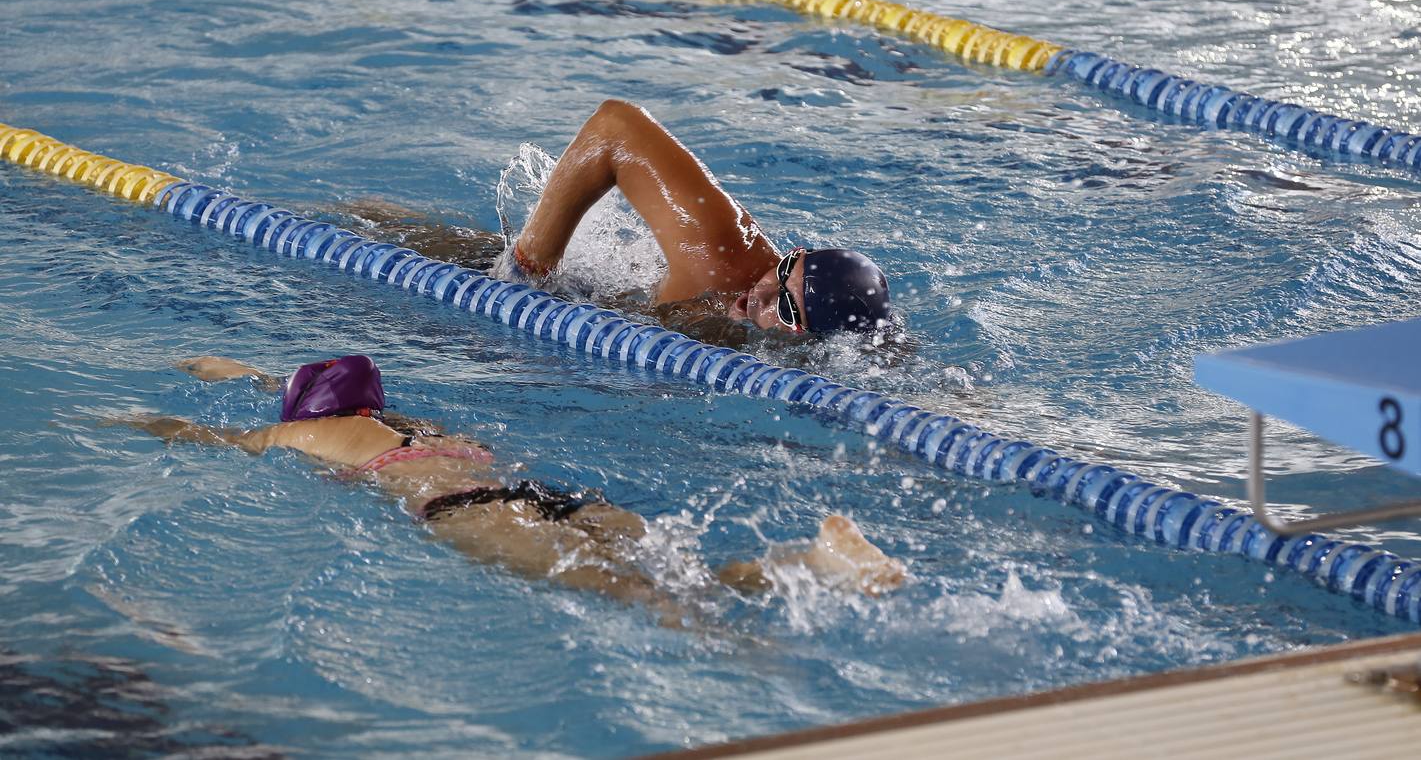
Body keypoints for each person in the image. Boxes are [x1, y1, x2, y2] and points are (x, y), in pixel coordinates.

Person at [126, 354, 906, 624]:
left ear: (307, 414)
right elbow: (292, 383)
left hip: (470, 514)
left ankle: (752, 652)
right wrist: (245, 372)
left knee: (648, 601)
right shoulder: (421, 428)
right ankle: (808, 562)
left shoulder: (306, 436)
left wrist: (127, 418)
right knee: (678, 569)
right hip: (547, 491)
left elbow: (214, 441)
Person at [512, 100, 893, 336]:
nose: (760, 291)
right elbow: (613, 128)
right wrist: (528, 268)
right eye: (785, 267)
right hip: (569, 290)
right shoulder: (722, 255)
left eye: (786, 306)